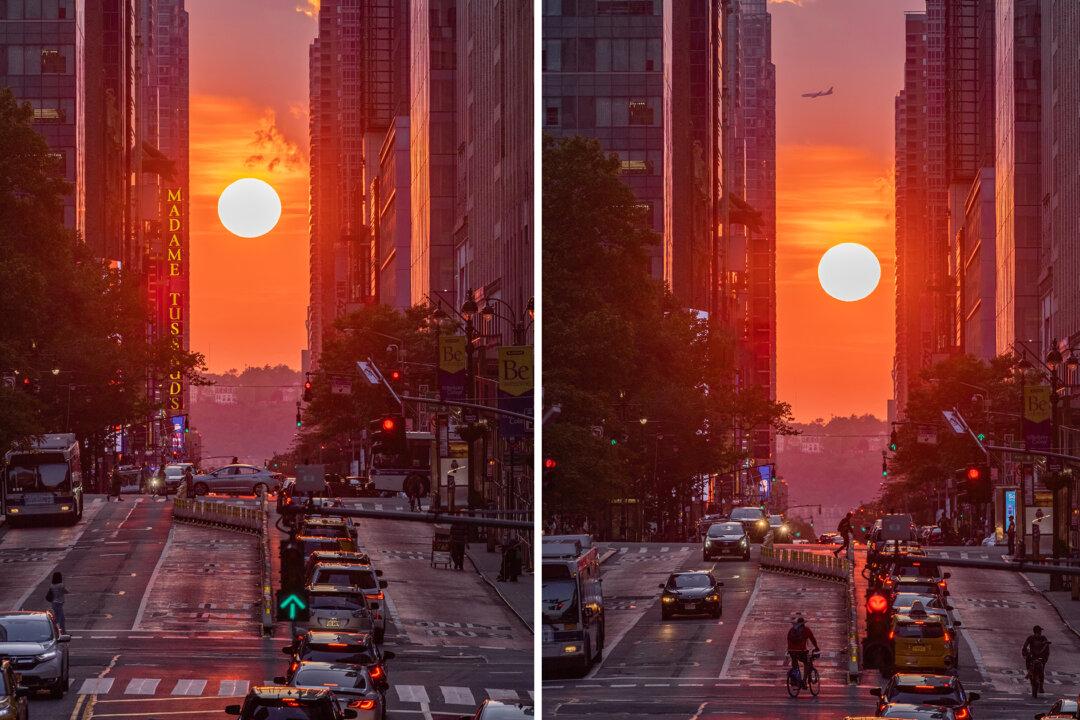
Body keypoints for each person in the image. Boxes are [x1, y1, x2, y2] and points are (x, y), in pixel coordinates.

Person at [787, 616, 820, 688]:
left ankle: (794, 677)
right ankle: (804, 681)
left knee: (794, 662)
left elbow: (788, 639)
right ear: (803, 623)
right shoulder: (806, 630)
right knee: (807, 663)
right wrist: (816, 647)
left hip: (791, 650)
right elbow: (812, 639)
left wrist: (789, 650)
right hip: (801, 651)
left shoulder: (791, 630)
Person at [1022, 625, 1051, 695]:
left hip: (1039, 657)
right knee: (1030, 666)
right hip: (1033, 656)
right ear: (1037, 632)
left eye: (1040, 631)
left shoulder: (1041, 638)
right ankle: (1036, 682)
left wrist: (1045, 657)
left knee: (1041, 670)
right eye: (1039, 631)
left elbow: (1047, 648)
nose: (1040, 633)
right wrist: (1025, 653)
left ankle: (1040, 686)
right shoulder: (1032, 638)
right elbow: (1025, 646)